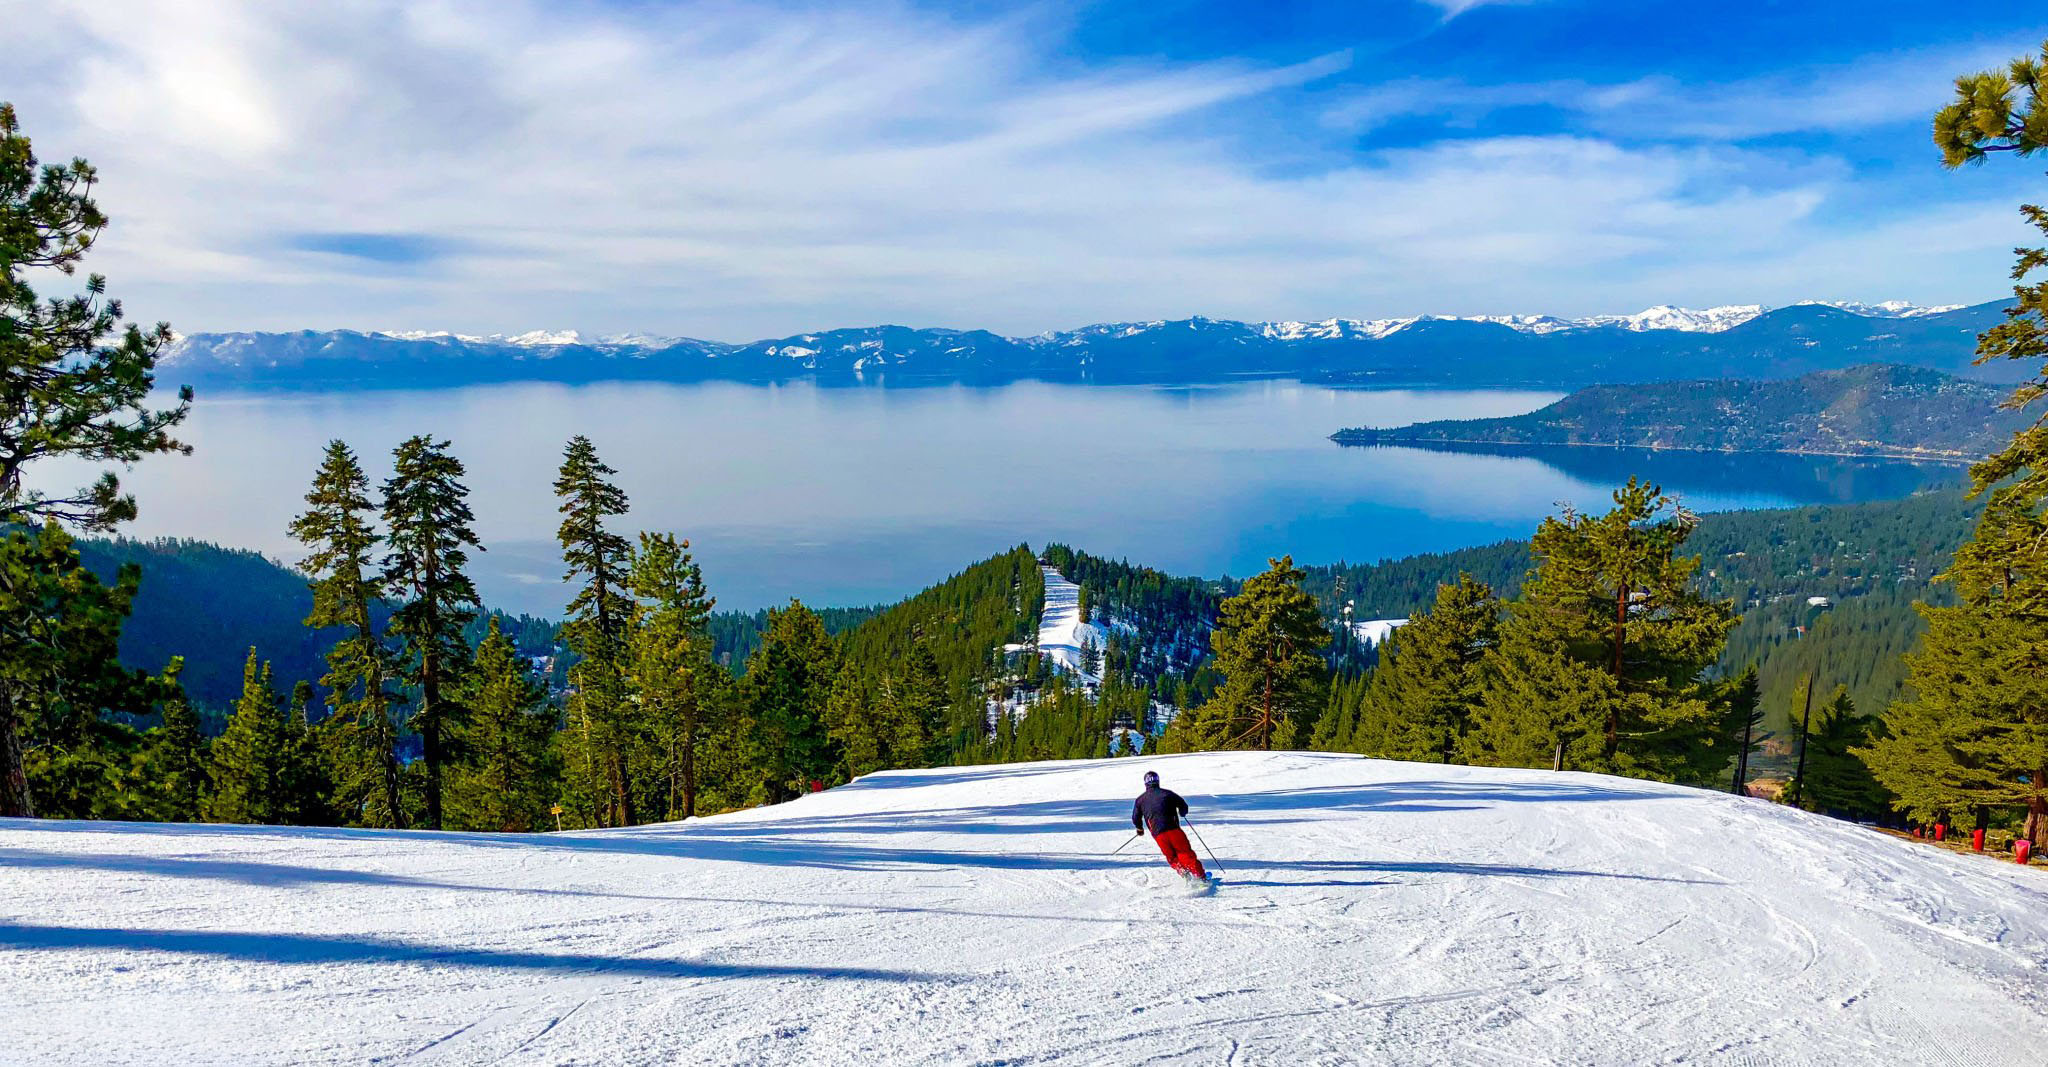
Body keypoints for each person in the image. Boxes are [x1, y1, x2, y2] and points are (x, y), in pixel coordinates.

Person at [1132, 770, 1208, 881]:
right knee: (1184, 853)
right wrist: (1182, 812)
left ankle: (1184, 874)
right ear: (1157, 781)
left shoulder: (1140, 800)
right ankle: (1200, 877)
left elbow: (1135, 817)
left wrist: (1139, 828)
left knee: (1171, 857)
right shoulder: (1167, 794)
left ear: (1145, 783)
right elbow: (1183, 805)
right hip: (1173, 829)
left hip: (1158, 834)